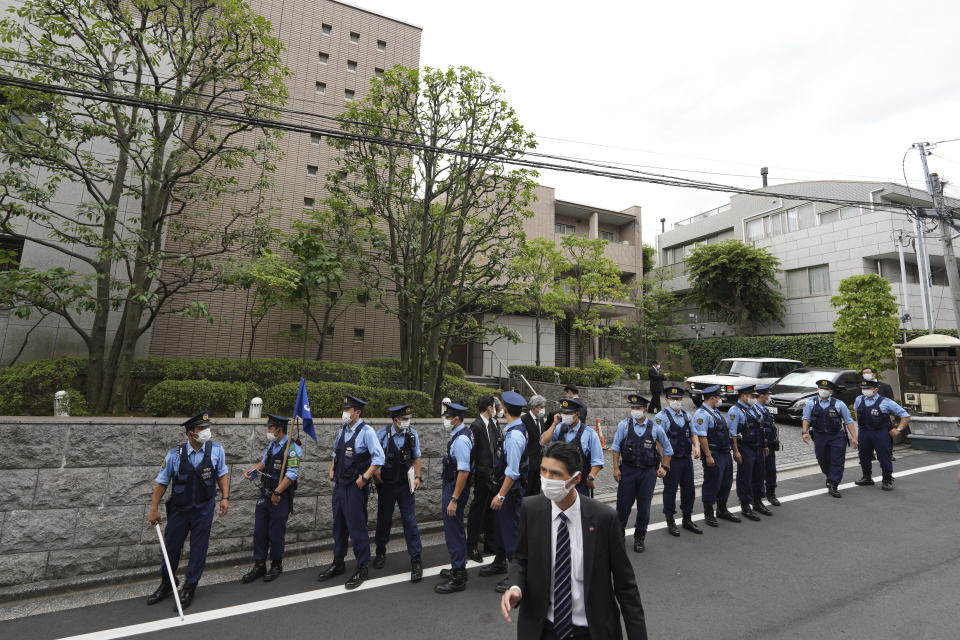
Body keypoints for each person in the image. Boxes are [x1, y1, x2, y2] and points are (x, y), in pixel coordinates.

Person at [500, 441, 647, 640]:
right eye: (543, 470)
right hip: (543, 630)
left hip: (589, 631)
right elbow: (521, 557)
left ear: (576, 478)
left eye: (556, 474)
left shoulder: (604, 519)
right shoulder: (531, 509)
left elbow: (626, 586)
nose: (547, 479)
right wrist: (515, 586)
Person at [146, 411, 229, 610]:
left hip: (203, 509)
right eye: (201, 429)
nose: (206, 432)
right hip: (179, 510)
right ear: (190, 434)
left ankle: (190, 586)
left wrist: (225, 497)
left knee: (198, 550)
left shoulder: (217, 451)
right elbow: (162, 482)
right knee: (171, 548)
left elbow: (222, 474)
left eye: (207, 428)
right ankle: (168, 583)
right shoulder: (174, 455)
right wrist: (154, 508)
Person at [317, 396, 385, 590]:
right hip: (339, 487)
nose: (345, 412)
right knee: (338, 526)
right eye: (345, 408)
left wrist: (365, 478)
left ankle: (362, 566)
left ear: (358, 412)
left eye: (349, 409)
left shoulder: (367, 432)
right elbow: (335, 453)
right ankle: (338, 563)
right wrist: (331, 469)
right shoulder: (342, 430)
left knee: (357, 528)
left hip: (355, 489)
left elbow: (379, 458)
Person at [241, 414, 303, 584]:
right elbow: (263, 463)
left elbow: (291, 475)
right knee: (260, 531)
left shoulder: (293, 449)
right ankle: (259, 564)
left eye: (270, 428)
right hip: (265, 494)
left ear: (279, 429)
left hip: (279, 498)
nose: (268, 431)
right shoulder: (271, 445)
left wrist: (277, 492)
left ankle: (276, 564)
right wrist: (253, 471)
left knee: (276, 533)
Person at [481, 391, 530, 593]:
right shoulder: (515, 428)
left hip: (510, 493)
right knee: (500, 529)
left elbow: (513, 471)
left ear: (506, 410)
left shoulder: (515, 436)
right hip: (505, 489)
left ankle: (517, 576)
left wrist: (501, 495)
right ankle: (500, 561)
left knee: (512, 534)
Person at [612, 394, 672, 553]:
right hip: (628, 471)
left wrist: (664, 467)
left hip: (648, 473)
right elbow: (616, 447)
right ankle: (618, 536)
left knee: (644, 507)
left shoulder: (655, 428)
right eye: (632, 408)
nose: (634, 411)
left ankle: (640, 537)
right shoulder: (624, 426)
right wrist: (616, 468)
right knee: (623, 506)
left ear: (645, 409)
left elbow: (668, 449)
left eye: (637, 408)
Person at [372, 404, 423, 582]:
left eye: (408, 419)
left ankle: (416, 559)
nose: (407, 422)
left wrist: (417, 477)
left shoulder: (412, 434)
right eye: (404, 419)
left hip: (405, 486)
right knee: (384, 519)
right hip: (386, 486)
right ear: (395, 420)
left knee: (410, 521)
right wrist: (376, 474)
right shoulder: (382, 435)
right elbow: (374, 456)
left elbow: (416, 457)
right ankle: (380, 551)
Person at [436, 401, 474, 594]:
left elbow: (463, 472)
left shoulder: (460, 440)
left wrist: (454, 499)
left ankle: (458, 576)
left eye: (448, 417)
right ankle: (458, 567)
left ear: (456, 419)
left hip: (455, 488)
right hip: (452, 486)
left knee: (454, 531)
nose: (445, 421)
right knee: (455, 529)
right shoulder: (460, 434)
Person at [654, 386, 702, 535]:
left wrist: (697, 446)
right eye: (672, 399)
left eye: (678, 399)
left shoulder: (687, 415)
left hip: (686, 459)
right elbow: (658, 441)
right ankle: (670, 520)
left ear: (682, 400)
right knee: (670, 490)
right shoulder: (661, 417)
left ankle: (687, 519)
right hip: (671, 461)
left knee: (689, 490)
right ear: (667, 399)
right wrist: (664, 461)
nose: (675, 401)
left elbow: (693, 433)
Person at [692, 386, 740, 527]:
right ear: (712, 398)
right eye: (719, 397)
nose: (720, 399)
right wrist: (708, 455)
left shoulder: (715, 412)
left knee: (726, 481)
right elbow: (702, 436)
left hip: (724, 452)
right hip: (714, 453)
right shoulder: (702, 414)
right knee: (712, 482)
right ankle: (709, 513)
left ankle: (722, 509)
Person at [801, 380, 858, 498]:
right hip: (819, 436)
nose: (824, 391)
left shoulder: (839, 404)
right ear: (817, 389)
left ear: (831, 391)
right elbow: (806, 418)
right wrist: (804, 432)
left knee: (837, 460)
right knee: (822, 458)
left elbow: (848, 421)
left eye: (827, 389)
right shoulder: (811, 403)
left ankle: (833, 483)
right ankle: (829, 475)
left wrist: (854, 437)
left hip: (837, 436)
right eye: (821, 388)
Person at [853, 379, 910, 491]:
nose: (865, 391)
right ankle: (867, 477)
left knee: (884, 456)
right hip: (864, 432)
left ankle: (887, 479)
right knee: (863, 456)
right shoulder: (859, 399)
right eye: (863, 388)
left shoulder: (886, 401)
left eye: (867, 388)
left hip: (880, 432)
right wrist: (859, 423)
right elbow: (856, 411)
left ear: (875, 389)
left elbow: (905, 416)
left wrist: (898, 429)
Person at [540, 397, 604, 496]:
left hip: (579, 483)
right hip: (559, 481)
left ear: (577, 414)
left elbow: (598, 461)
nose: (565, 416)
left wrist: (590, 477)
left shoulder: (589, 434)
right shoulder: (558, 428)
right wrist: (554, 424)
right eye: (563, 413)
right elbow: (543, 441)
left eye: (568, 413)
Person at [727, 385, 772, 521]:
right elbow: (732, 433)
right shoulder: (735, 411)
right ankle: (745, 505)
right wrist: (736, 451)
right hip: (745, 448)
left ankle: (757, 502)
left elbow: (760, 428)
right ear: (743, 396)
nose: (754, 398)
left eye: (754, 396)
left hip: (758, 447)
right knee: (745, 477)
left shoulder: (753, 409)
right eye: (752, 396)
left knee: (759, 475)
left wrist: (764, 445)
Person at [467, 395, 500, 563]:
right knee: (477, 511)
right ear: (489, 408)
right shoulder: (476, 426)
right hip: (481, 476)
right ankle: (471, 545)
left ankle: (490, 543)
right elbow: (473, 453)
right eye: (493, 406)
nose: (494, 409)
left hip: (492, 475)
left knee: (491, 510)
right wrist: (473, 475)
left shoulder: (491, 425)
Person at [753, 385, 781, 506]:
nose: (769, 397)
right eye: (767, 395)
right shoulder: (754, 410)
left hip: (769, 445)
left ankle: (771, 494)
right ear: (762, 396)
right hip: (760, 446)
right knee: (759, 472)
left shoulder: (765, 409)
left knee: (771, 470)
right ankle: (756, 496)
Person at [522, 394, 547, 496]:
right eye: (541, 407)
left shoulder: (540, 419)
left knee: (537, 488)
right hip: (529, 460)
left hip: (539, 459)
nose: (543, 410)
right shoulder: (524, 420)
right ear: (533, 408)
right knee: (527, 489)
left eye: (544, 407)